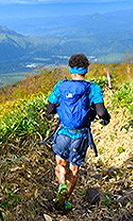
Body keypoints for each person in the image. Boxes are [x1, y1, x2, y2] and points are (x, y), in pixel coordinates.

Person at [46, 53, 110, 210]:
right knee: (74, 169)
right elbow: (101, 112)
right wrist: (105, 118)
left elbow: (49, 107)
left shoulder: (60, 86)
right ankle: (65, 200)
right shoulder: (93, 88)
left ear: (70, 69)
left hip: (62, 132)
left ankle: (61, 184)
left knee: (60, 163)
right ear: (86, 69)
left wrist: (53, 112)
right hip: (80, 135)